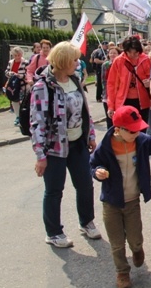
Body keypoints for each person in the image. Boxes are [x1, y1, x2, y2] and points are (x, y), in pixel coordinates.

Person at [90, 105, 151, 288]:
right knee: (117, 242)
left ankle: (137, 249)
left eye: (138, 129)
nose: (137, 133)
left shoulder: (141, 140)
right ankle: (122, 273)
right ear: (118, 130)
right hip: (111, 203)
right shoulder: (106, 145)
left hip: (132, 201)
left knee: (135, 237)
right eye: (133, 130)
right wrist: (98, 172)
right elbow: (93, 164)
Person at [31, 41, 100, 248]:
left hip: (78, 142)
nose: (78, 63)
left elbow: (85, 111)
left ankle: (86, 222)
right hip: (54, 148)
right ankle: (53, 232)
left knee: (85, 184)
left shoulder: (75, 79)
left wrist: (90, 135)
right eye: (74, 59)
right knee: (54, 190)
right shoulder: (43, 86)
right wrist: (40, 156)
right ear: (62, 61)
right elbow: (37, 123)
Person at [106, 36, 151, 128]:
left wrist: (149, 82)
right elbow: (112, 84)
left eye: (136, 52)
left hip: (143, 102)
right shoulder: (118, 61)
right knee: (126, 129)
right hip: (124, 101)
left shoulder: (145, 59)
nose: (134, 55)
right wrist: (111, 105)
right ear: (125, 51)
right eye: (131, 53)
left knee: (142, 129)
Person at [4, 46, 27, 126]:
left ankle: (23, 117)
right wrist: (10, 74)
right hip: (12, 85)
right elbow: (6, 72)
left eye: (19, 55)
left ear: (21, 54)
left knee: (22, 101)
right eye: (15, 55)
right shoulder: (11, 62)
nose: (17, 57)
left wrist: (20, 76)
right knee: (14, 100)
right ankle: (17, 117)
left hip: (21, 85)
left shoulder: (25, 62)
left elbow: (27, 73)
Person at [101, 46, 120, 129]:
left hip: (119, 94)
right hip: (108, 93)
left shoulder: (121, 64)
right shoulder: (105, 65)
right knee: (109, 118)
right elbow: (103, 80)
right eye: (111, 53)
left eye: (114, 53)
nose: (112, 54)